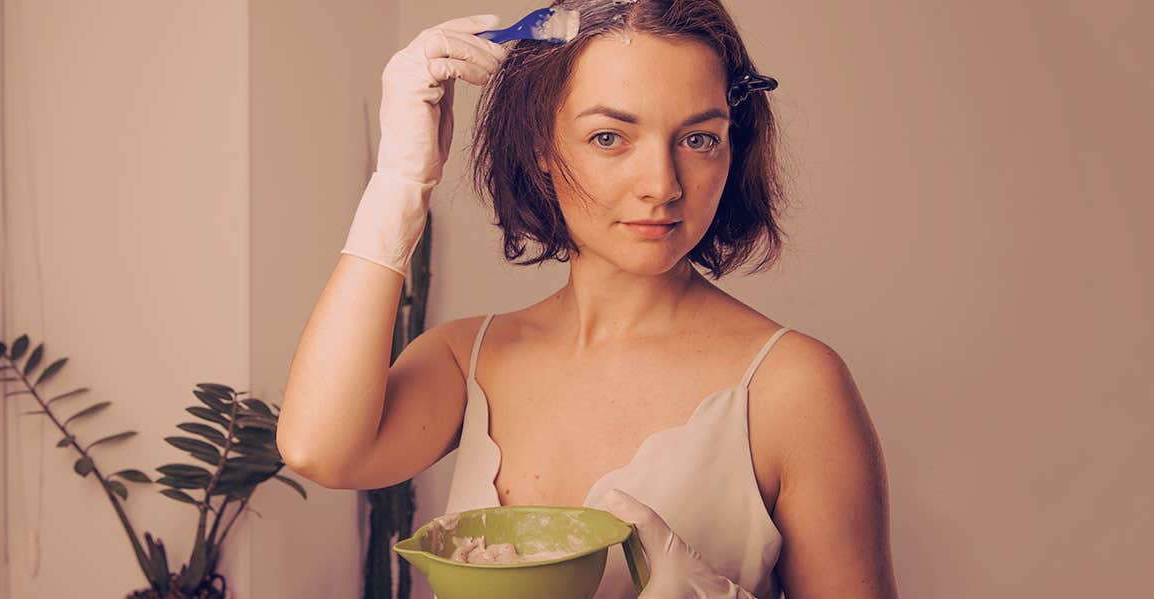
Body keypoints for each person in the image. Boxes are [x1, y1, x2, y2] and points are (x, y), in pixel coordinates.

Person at [277, 1, 899, 597]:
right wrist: (401, 180)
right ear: (543, 150)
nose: (661, 185)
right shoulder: (470, 357)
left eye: (700, 139)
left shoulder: (794, 387)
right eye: (609, 137)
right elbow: (319, 450)